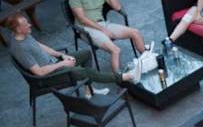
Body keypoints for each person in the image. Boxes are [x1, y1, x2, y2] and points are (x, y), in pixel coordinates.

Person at [6, 13, 138, 95]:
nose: (30, 25)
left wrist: (61, 56)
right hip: (49, 76)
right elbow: (39, 72)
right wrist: (63, 64)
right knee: (86, 72)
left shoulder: (22, 35)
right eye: (26, 24)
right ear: (18, 29)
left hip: (55, 63)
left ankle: (89, 91)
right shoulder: (20, 48)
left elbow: (40, 46)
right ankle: (123, 77)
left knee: (86, 53)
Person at [68, 0, 146, 73]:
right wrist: (103, 30)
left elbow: (117, 7)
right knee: (116, 50)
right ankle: (119, 78)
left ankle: (147, 59)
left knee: (135, 32)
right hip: (86, 29)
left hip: (102, 24)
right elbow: (82, 19)